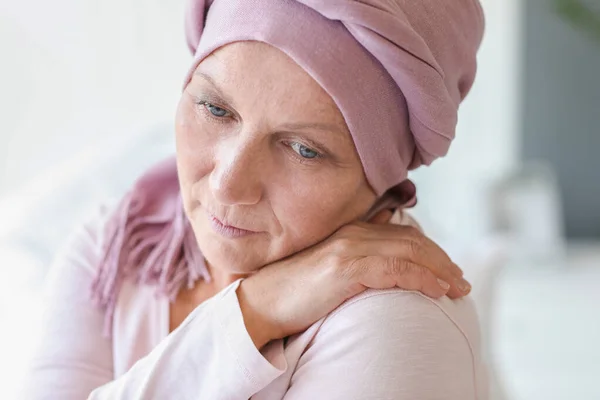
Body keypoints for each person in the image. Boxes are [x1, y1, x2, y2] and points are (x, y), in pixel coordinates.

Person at [23, 0, 487, 399]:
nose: (228, 185)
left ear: (381, 177)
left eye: (304, 149)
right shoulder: (117, 245)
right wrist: (254, 310)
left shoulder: (399, 325)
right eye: (215, 108)